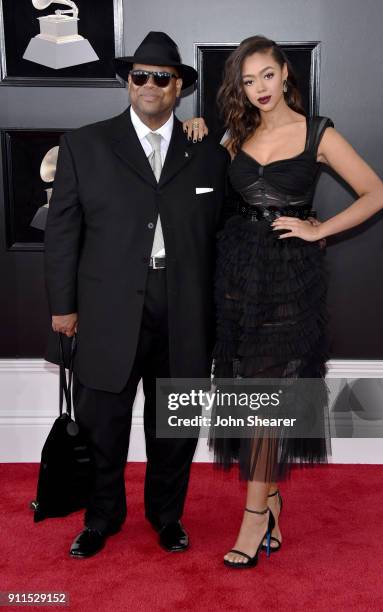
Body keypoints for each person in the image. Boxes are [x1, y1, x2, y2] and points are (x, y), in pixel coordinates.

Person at [187, 34, 383, 569]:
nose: (259, 89)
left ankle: (254, 517)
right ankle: (271, 502)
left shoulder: (318, 132)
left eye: (267, 76)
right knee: (246, 392)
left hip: (288, 278)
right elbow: (199, 177)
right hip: (235, 273)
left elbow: (377, 193)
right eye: (248, 80)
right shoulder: (236, 133)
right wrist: (198, 128)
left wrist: (316, 225)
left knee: (267, 399)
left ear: (285, 74)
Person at [44, 31, 228, 558]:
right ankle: (101, 518)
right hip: (106, 309)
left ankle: (167, 516)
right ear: (129, 83)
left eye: (161, 78)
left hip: (184, 307)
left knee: (175, 424)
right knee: (103, 425)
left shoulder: (207, 155)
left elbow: (222, 236)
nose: (149, 85)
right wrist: (63, 306)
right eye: (140, 76)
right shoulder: (85, 143)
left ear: (179, 89)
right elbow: (62, 233)